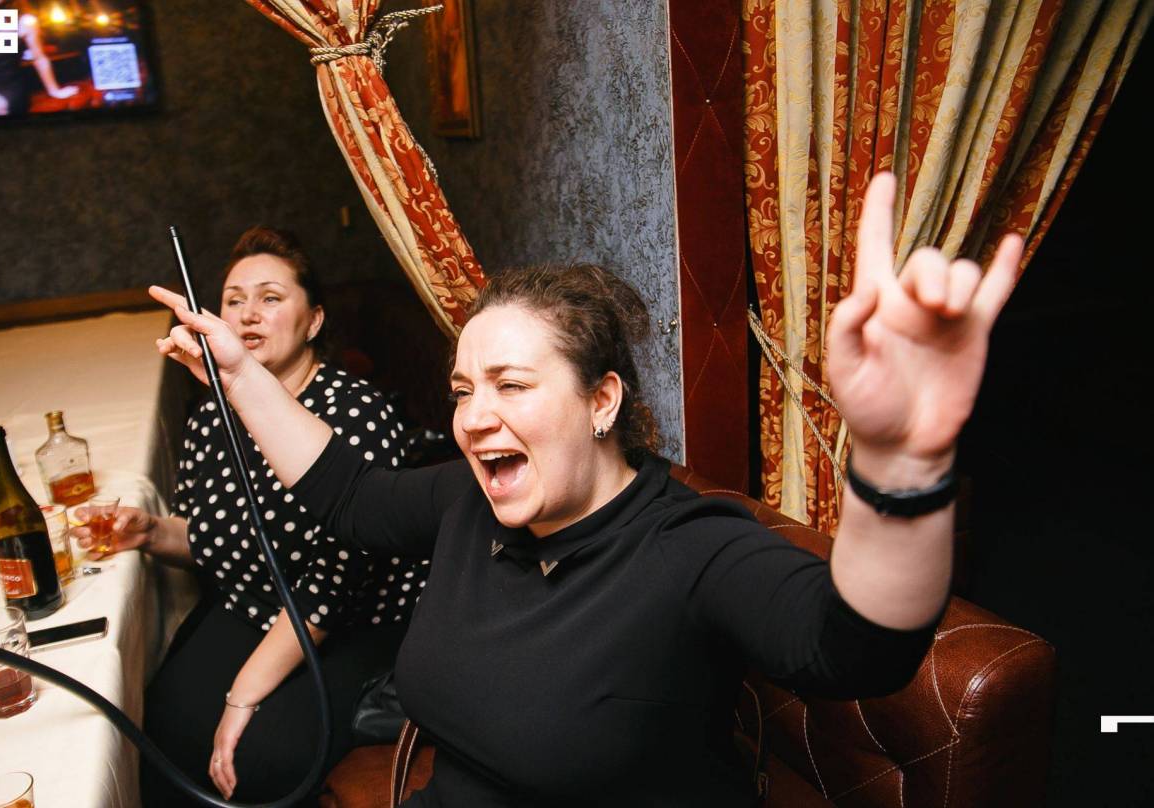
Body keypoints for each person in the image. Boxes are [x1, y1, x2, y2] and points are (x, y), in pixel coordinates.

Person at [149, 173, 1021, 806]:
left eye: (511, 385)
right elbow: (347, 495)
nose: (474, 416)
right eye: (463, 390)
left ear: (602, 400)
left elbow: (858, 649)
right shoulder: (466, 502)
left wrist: (899, 461)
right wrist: (239, 374)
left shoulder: (690, 548)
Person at [77, 226, 428, 805]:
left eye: (270, 297)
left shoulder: (357, 413)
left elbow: (331, 588)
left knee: (258, 760)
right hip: (255, 606)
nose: (248, 314)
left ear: (313, 321)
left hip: (358, 623)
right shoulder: (211, 414)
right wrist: (151, 532)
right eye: (234, 301)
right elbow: (209, 537)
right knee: (156, 728)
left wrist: (242, 694)